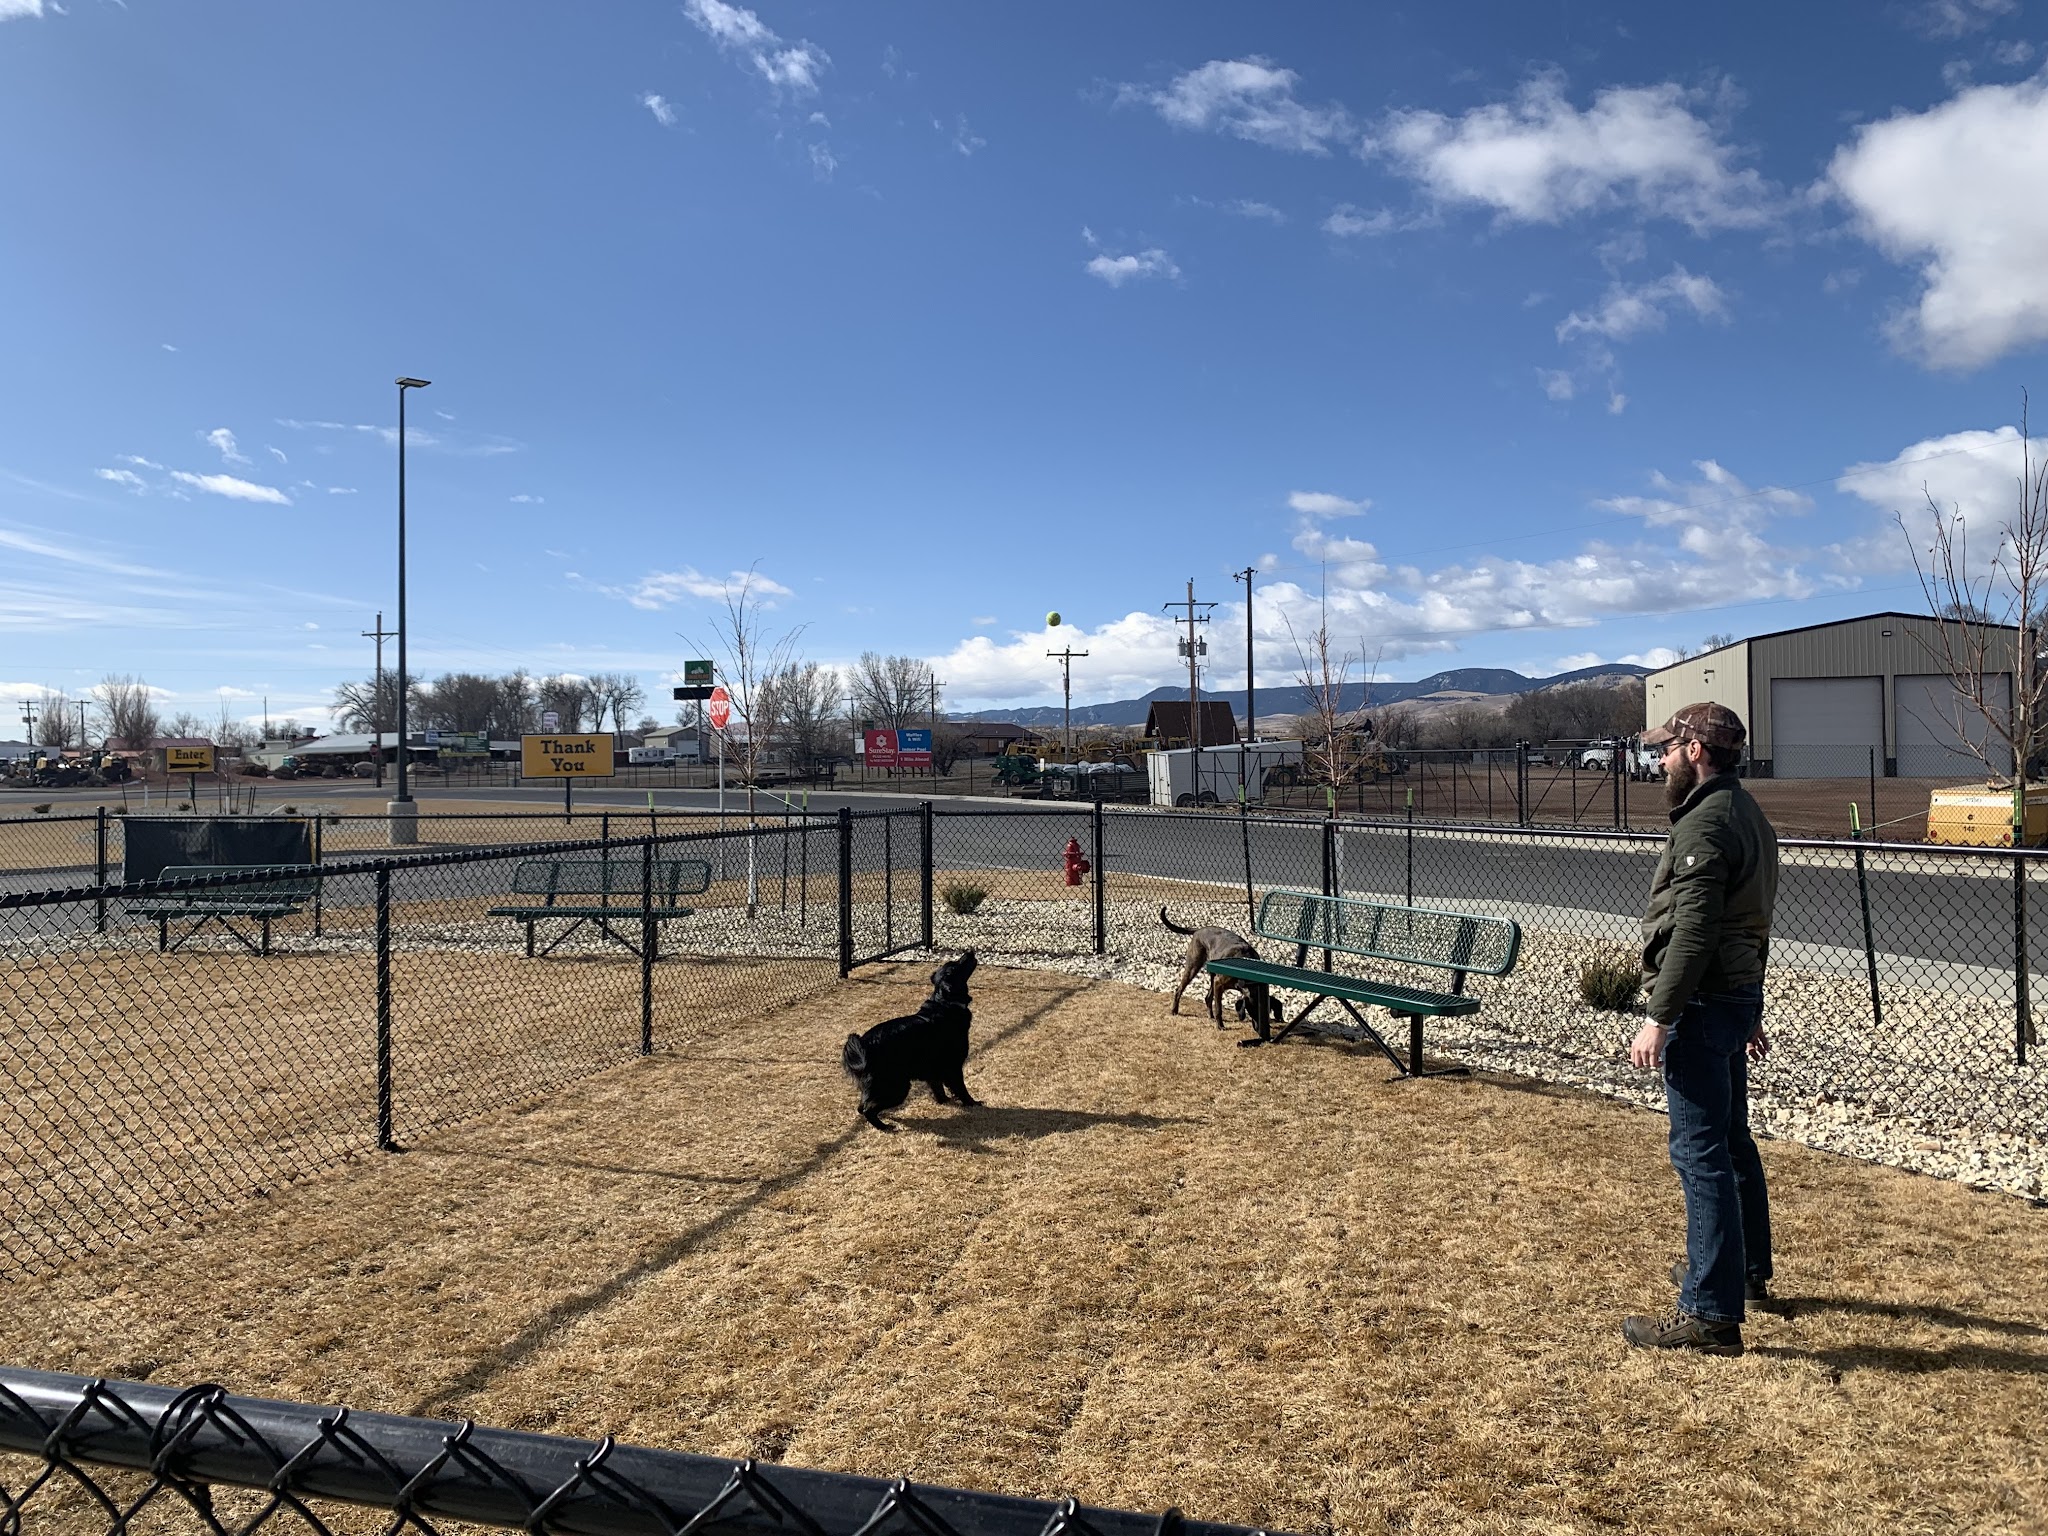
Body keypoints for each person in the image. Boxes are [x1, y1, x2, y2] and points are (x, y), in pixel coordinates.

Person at [1623, 701, 1779, 1357]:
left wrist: (1660, 1016)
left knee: (1700, 1153)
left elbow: (1695, 932)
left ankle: (1709, 1316)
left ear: (1694, 751)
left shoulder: (1705, 825)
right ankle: (1741, 1274)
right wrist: (1752, 1006)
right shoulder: (1748, 814)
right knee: (1730, 1139)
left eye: (1666, 749)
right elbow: (1755, 919)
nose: (1659, 760)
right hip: (1732, 999)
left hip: (1704, 1003)